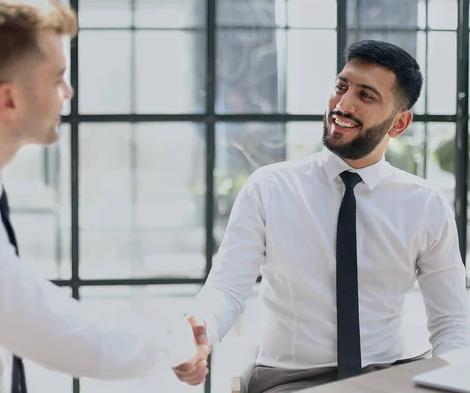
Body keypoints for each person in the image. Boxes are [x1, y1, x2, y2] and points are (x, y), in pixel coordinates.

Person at [0, 0, 210, 392]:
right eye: (57, 77)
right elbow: (69, 338)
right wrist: (180, 340)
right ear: (9, 99)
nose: (68, 91)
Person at [173, 40, 470, 392]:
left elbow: (451, 320)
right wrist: (199, 332)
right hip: (290, 379)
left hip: (391, 374)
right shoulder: (269, 187)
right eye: (341, 87)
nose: (343, 105)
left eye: (366, 95)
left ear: (399, 123)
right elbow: (227, 287)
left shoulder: (425, 203)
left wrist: (451, 382)